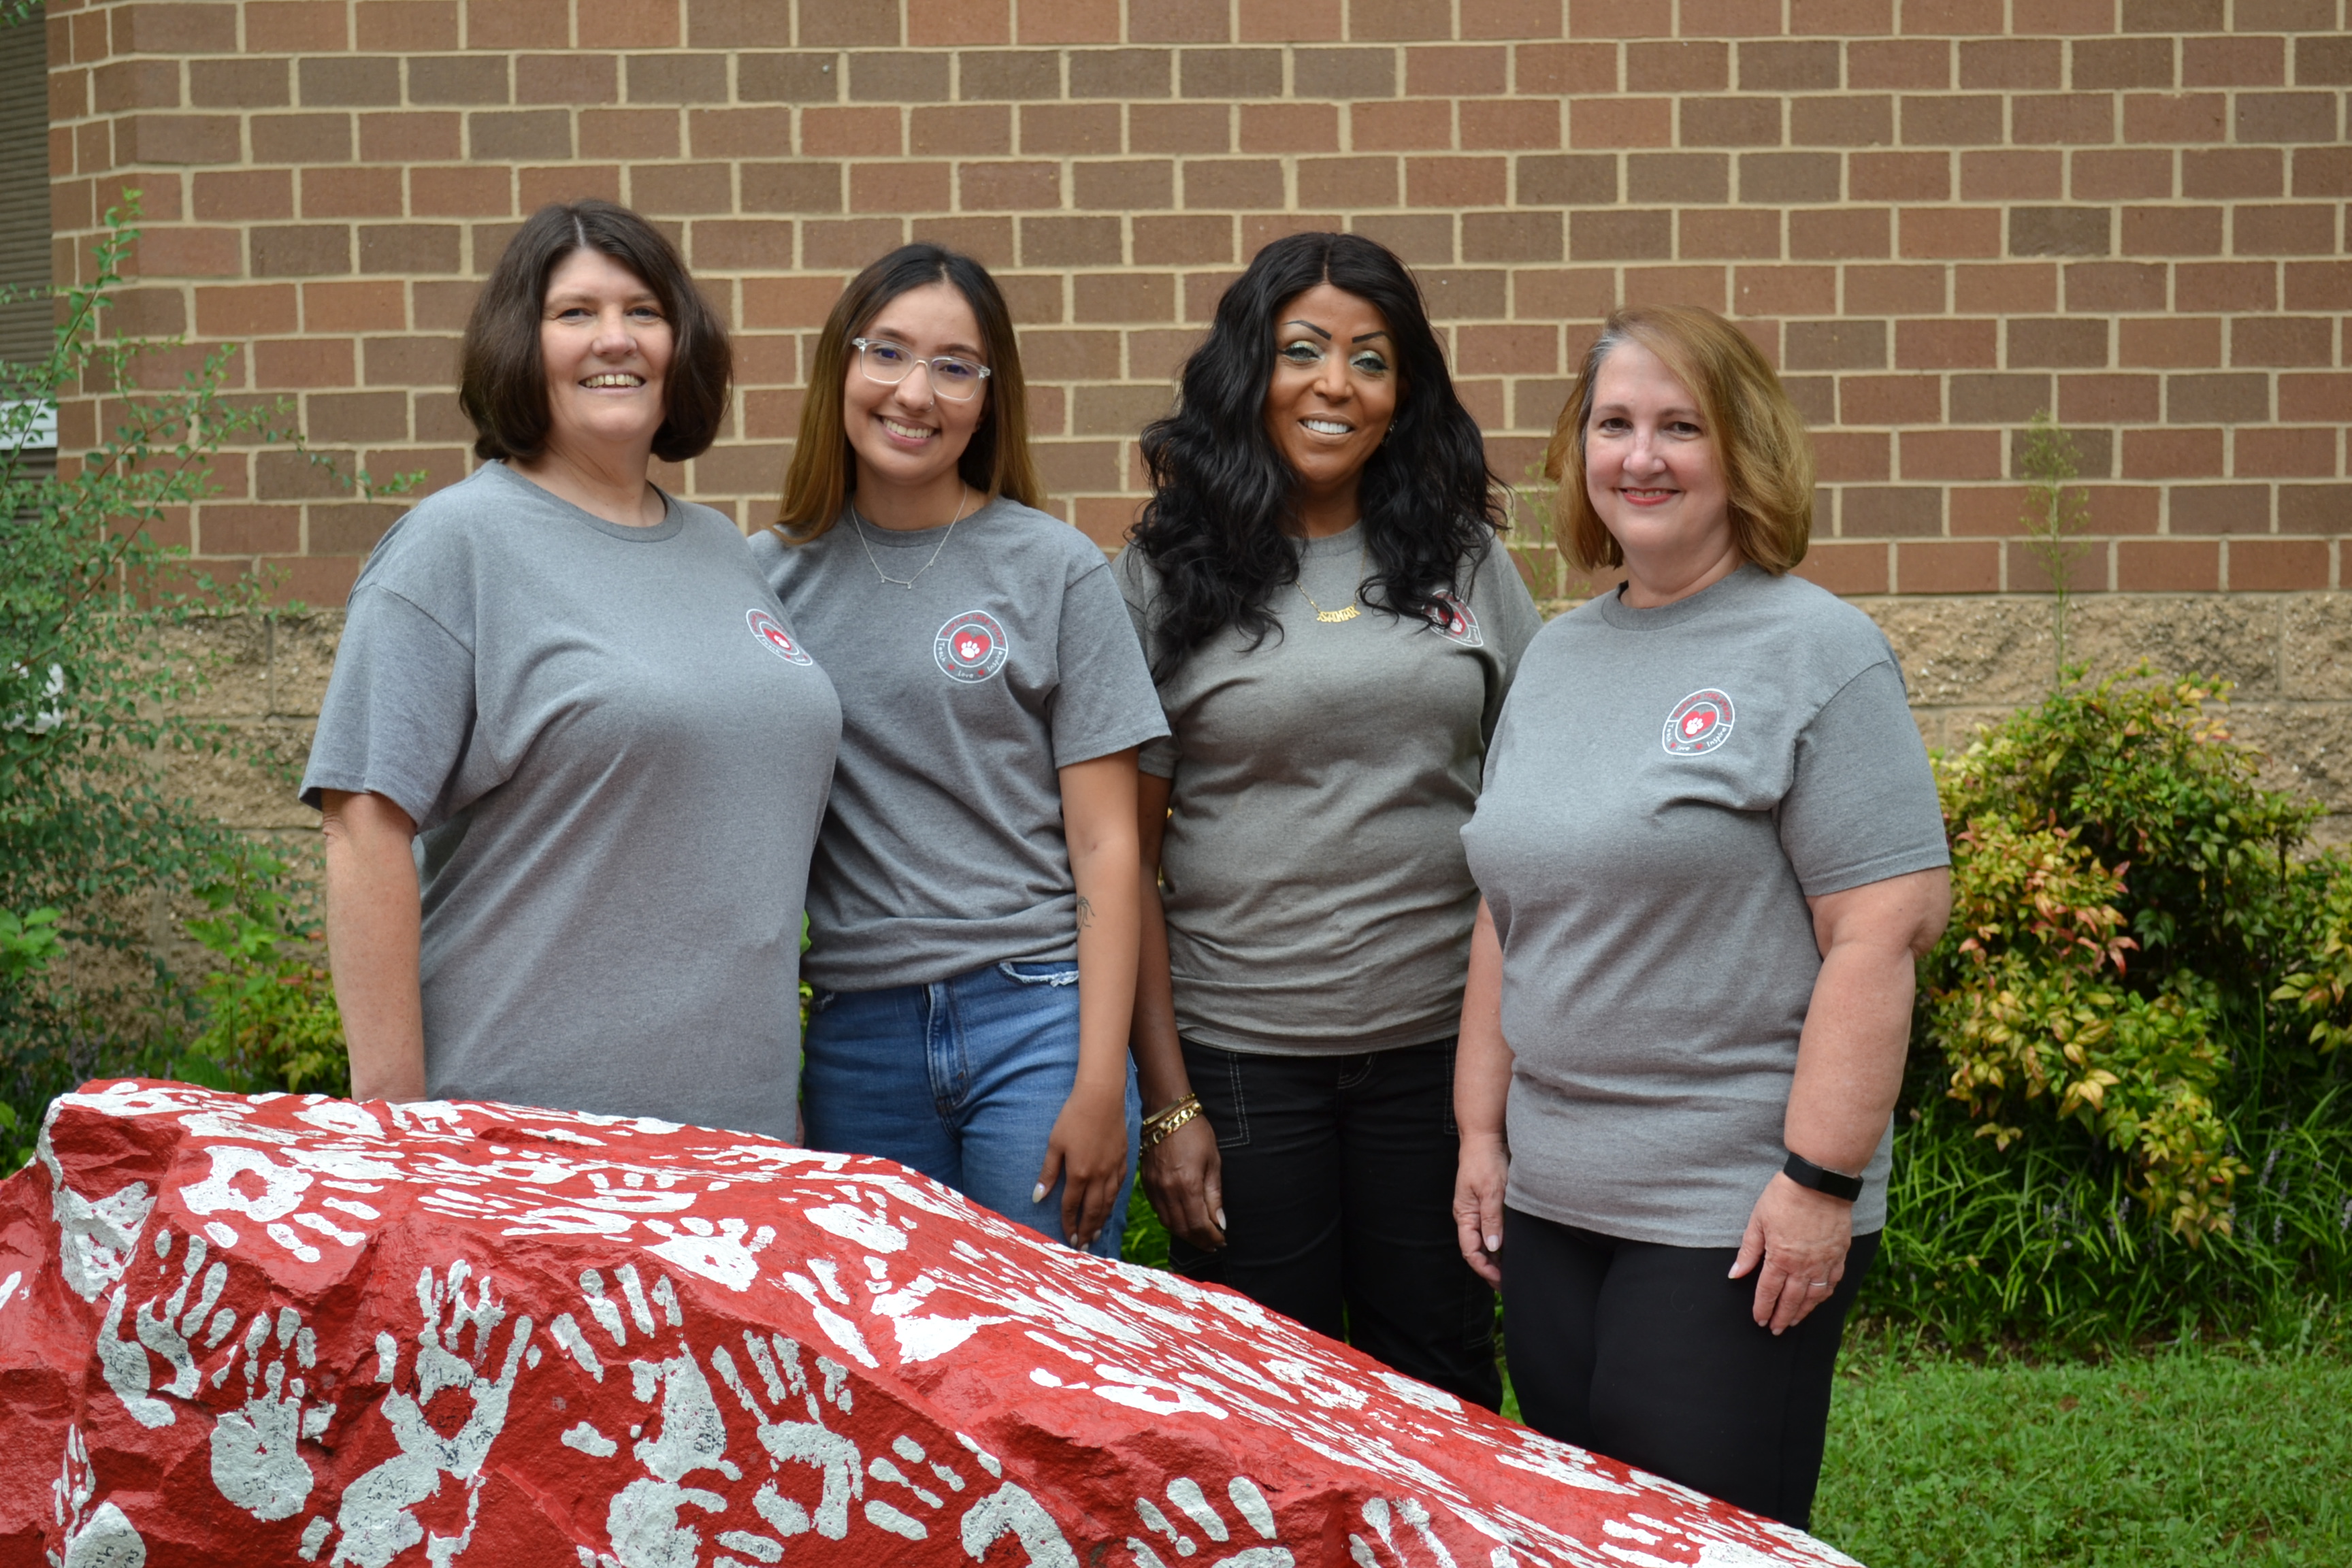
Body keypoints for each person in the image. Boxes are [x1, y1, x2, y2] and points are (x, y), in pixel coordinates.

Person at [1454, 304, 1952, 1526]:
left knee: (1695, 1540)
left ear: (1741, 451)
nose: (1642, 456)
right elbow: (1505, 905)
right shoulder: (1559, 658)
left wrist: (1818, 1183)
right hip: (1555, 1198)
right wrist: (1480, 1132)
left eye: (1680, 426)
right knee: (1583, 1533)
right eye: (1614, 425)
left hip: (1727, 1210)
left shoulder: (1819, 651)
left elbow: (1880, 932)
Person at [301, 199, 840, 1137]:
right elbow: (363, 827)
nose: (614, 339)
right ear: (522, 343)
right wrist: (394, 1131)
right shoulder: (455, 545)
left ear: (682, 345)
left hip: (742, 1135)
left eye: (643, 311)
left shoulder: (726, 553)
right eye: (575, 313)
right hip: (528, 1141)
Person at [1117, 231, 1541, 1409]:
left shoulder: (1464, 557)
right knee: (1269, 1406)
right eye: (1302, 351)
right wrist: (1171, 1101)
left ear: (1404, 396)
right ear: (1250, 373)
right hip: (1245, 1061)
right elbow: (1125, 862)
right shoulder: (1165, 574)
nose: (1335, 385)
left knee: (1446, 1385)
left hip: (1439, 1057)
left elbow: (1539, 800)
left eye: (1371, 358)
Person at [752, 244, 1166, 1256]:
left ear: (990, 397)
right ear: (838, 370)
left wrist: (1101, 1080)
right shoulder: (762, 581)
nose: (914, 392)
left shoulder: (1055, 569)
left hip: (1037, 1018)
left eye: (954, 366)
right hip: (859, 1035)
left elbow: (1112, 850)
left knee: (1049, 1355)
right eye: (887, 353)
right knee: (893, 1363)